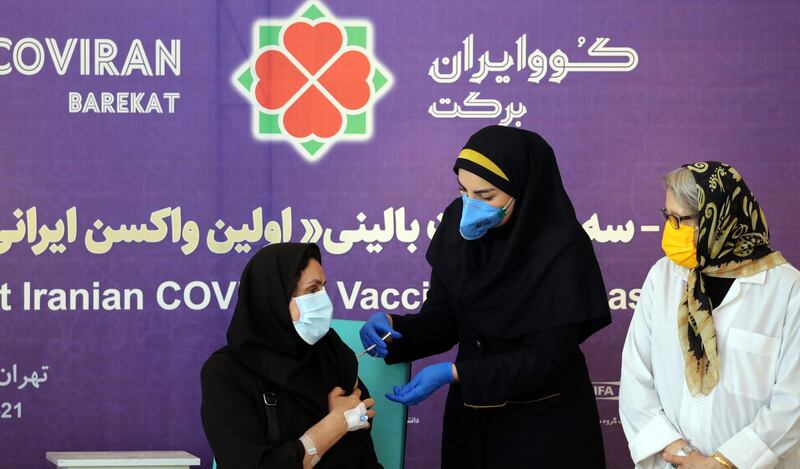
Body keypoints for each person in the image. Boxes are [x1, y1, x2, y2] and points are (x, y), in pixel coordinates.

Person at [359, 125, 612, 468]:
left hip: (544, 429)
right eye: (463, 191)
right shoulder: (456, 222)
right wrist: (394, 329)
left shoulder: (562, 247)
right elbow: (444, 319)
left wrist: (455, 373)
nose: (471, 206)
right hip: (472, 425)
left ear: (523, 189)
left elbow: (544, 359)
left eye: (486, 195)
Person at [619, 162, 800, 469]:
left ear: (721, 219)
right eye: (667, 217)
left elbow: (793, 400)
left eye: (682, 220)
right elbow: (637, 374)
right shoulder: (662, 277)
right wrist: (675, 451)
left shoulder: (787, 290)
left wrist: (723, 462)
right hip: (670, 462)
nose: (671, 230)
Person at [201, 243, 382, 469]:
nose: (324, 300)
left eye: (323, 288)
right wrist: (336, 424)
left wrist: (299, 454)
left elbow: (358, 450)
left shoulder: (332, 353)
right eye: (312, 290)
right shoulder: (226, 373)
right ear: (275, 297)